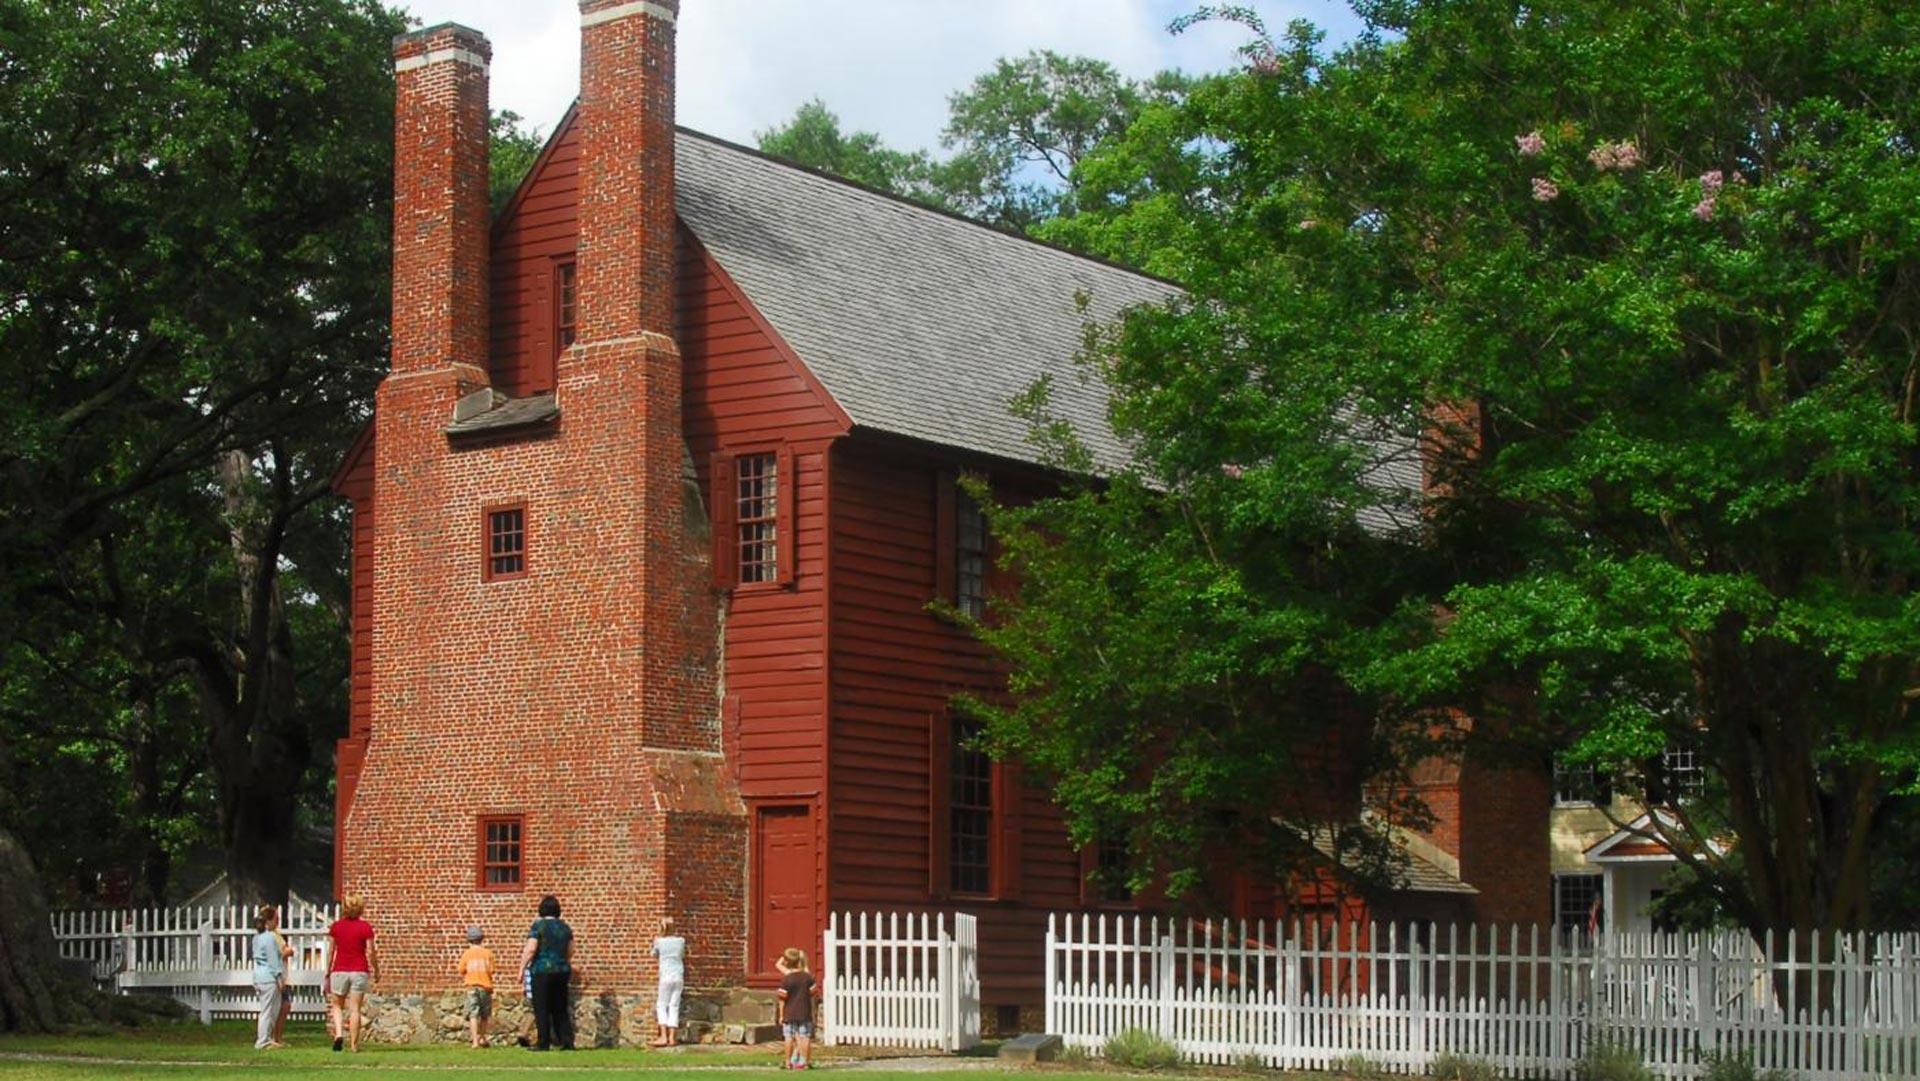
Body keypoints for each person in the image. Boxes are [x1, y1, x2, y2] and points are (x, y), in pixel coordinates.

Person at [325, 895, 379, 1052]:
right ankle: (354, 1045)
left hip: (340, 970)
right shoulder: (365, 927)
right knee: (355, 1009)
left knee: (337, 1005)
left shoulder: (336, 927)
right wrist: (377, 970)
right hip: (359, 970)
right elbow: (371, 952)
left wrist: (328, 970)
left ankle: (339, 1035)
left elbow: (331, 951)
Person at [519, 894, 574, 1051]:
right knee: (560, 1007)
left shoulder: (539, 926)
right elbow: (571, 950)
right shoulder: (565, 927)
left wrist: (521, 969)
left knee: (541, 1007)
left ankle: (543, 1042)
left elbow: (531, 949)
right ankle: (566, 1041)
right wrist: (562, 962)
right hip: (561, 970)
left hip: (542, 970)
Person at [249, 906, 287, 1051]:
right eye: (275, 919)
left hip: (259, 976)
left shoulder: (256, 938)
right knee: (269, 1011)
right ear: (268, 921)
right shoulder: (269, 938)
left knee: (268, 1009)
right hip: (269, 978)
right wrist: (279, 978)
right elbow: (273, 961)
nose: (277, 921)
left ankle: (267, 1038)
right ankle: (263, 1041)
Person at [774, 947, 816, 1070]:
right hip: (804, 1012)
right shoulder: (808, 977)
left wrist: (781, 1015)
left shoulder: (787, 978)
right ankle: (805, 1062)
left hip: (789, 1013)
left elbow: (782, 999)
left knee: (788, 1037)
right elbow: (813, 996)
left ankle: (788, 1062)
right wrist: (813, 1012)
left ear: (787, 962)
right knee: (805, 1036)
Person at [650, 916, 686, 1047]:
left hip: (666, 976)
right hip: (678, 975)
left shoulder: (659, 941)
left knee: (661, 1005)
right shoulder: (681, 941)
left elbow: (653, 954)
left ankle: (663, 1036)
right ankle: (672, 1037)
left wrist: (658, 939)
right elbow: (682, 954)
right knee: (674, 1006)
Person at [458, 925, 496, 1048]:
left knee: (473, 1014)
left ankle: (475, 1041)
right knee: (484, 1015)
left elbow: (461, 970)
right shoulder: (488, 953)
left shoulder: (467, 954)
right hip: (485, 987)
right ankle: (482, 1038)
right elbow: (492, 970)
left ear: (469, 940)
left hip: (471, 987)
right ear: (481, 939)